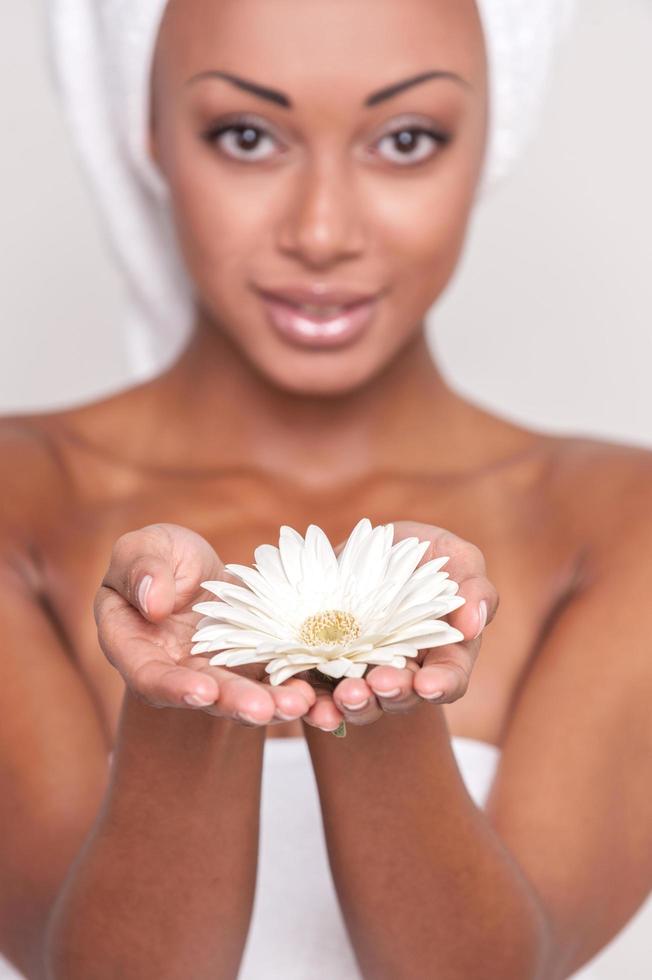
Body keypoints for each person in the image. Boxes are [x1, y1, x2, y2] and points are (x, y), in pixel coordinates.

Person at [0, 0, 650, 978]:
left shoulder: (616, 522)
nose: (321, 229)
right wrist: (186, 707)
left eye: (405, 139)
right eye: (248, 135)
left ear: (491, 139)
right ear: (149, 134)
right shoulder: (22, 505)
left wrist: (376, 698)